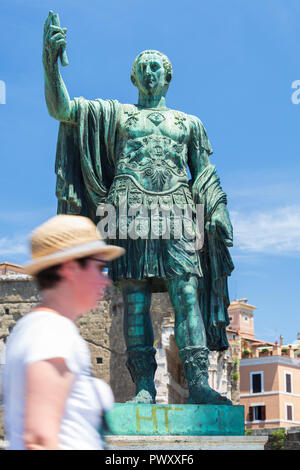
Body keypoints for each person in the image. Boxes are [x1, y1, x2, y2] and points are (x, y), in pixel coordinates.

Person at [43, 12, 234, 405]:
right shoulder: (117, 115)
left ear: (167, 78)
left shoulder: (189, 123)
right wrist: (50, 62)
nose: (149, 71)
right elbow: (62, 110)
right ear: (134, 79)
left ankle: (198, 384)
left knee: (185, 293)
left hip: (180, 214)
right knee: (134, 298)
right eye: (142, 66)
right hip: (129, 212)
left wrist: (216, 210)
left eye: (157, 67)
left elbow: (206, 174)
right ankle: (144, 387)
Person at [2, 214, 124, 450]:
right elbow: (39, 440)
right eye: (99, 268)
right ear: (70, 269)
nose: (105, 281)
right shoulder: (50, 332)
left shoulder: (39, 328)